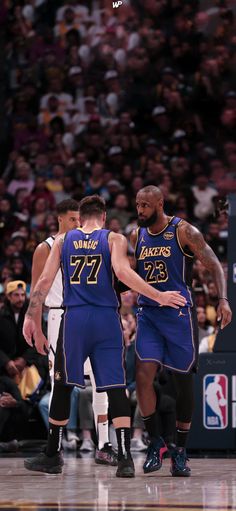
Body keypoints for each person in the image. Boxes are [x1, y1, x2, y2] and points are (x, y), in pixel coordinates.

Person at [23, 194, 186, 477]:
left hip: (73, 319)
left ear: (80, 216)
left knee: (62, 385)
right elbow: (124, 273)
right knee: (113, 386)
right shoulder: (114, 239)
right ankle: (124, 458)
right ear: (103, 216)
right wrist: (158, 295)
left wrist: (30, 315)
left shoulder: (63, 241)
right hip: (106, 320)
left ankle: (52, 454)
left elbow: (44, 282)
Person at [131, 185, 232, 477]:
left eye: (146, 205)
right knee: (142, 375)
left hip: (178, 315)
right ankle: (155, 442)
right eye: (138, 205)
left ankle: (181, 449)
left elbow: (213, 263)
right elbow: (131, 274)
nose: (140, 211)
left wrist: (222, 299)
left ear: (160, 203)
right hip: (149, 314)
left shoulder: (184, 231)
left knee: (182, 383)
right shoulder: (137, 235)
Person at [30, 198, 116, 464]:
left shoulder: (88, 244)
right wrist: (35, 325)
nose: (77, 224)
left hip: (87, 315)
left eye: (79, 219)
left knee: (100, 382)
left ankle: (104, 443)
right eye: (71, 219)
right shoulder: (47, 247)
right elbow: (37, 288)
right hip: (58, 315)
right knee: (61, 383)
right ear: (59, 219)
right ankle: (56, 445)